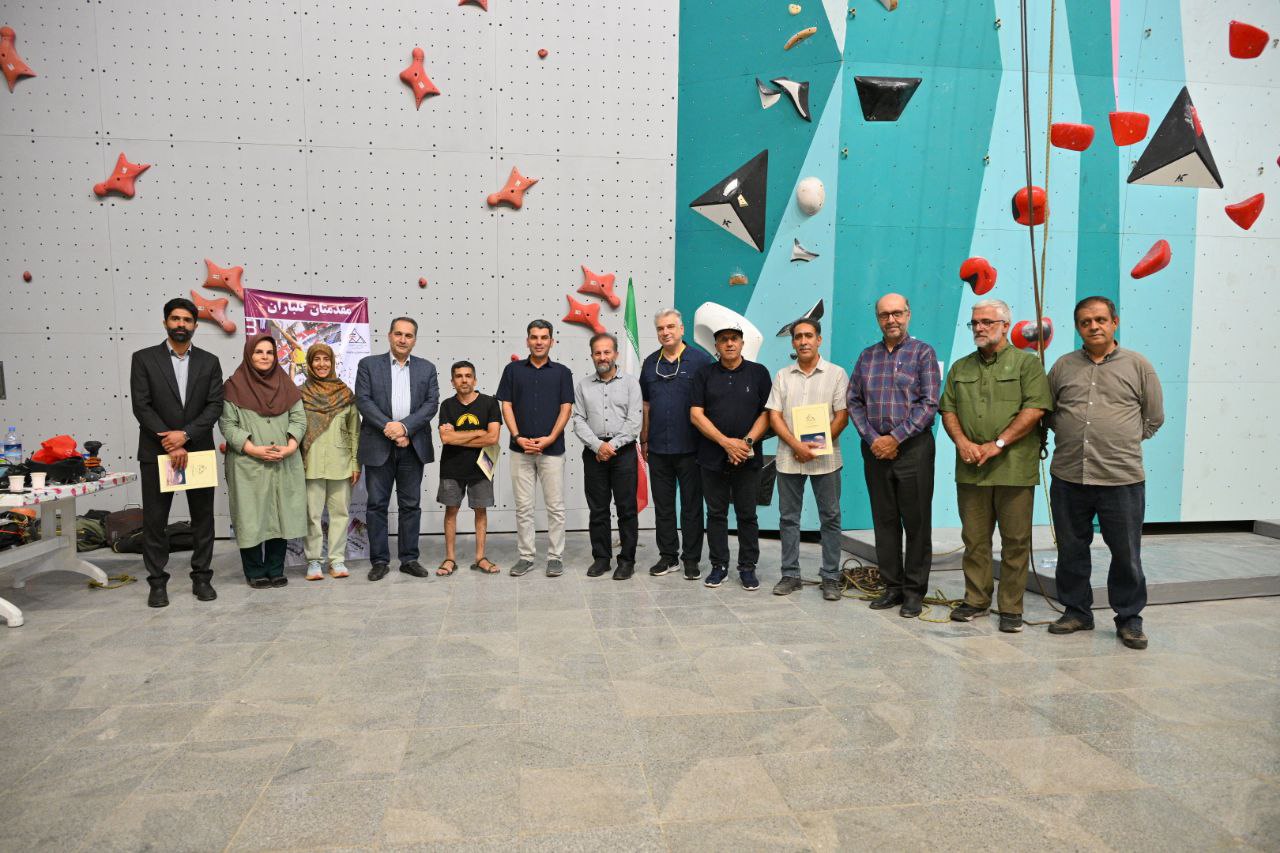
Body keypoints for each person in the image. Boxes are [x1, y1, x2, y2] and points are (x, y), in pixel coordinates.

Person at [1046, 296, 1164, 650]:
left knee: (1126, 554)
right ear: (1077, 327)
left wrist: (1120, 440)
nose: (1093, 326)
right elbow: (1048, 413)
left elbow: (1153, 418)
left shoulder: (1138, 366)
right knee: (1071, 549)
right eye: (1085, 322)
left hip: (1121, 479)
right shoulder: (1063, 366)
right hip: (1069, 476)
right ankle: (1077, 611)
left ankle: (1129, 619)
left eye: (1100, 319)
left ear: (1115, 322)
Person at [939, 299, 1053, 633]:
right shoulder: (960, 368)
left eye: (987, 322)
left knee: (1015, 541)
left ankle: (1011, 608)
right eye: (975, 323)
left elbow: (1035, 409)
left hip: (1013, 468)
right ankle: (976, 600)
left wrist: (998, 444)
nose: (979, 328)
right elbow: (948, 410)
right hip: (971, 467)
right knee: (974, 540)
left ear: (1005, 325)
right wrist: (962, 442)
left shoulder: (1027, 365)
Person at [846, 294, 941, 617]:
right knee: (884, 521)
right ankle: (892, 587)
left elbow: (929, 403)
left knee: (916, 523)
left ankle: (914, 592)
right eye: (884, 315)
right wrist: (875, 439)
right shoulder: (867, 357)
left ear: (908, 314)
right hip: (875, 451)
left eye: (897, 313)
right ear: (878, 319)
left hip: (913, 449)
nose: (891, 320)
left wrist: (895, 438)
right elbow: (854, 401)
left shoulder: (923, 353)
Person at [128, 297, 225, 608]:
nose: (181, 324)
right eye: (175, 319)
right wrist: (170, 441)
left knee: (203, 520)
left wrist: (185, 435)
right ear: (165, 322)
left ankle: (202, 578)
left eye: (187, 320)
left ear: (195, 325)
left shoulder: (209, 362)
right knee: (155, 521)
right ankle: (157, 583)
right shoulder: (144, 359)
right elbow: (141, 405)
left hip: (197, 450)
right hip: (157, 452)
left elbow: (215, 405)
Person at [765, 318, 849, 601]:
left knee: (831, 518)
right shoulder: (782, 376)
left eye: (809, 336)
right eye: (798, 337)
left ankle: (831, 577)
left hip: (826, 460)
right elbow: (774, 416)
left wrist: (815, 447)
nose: (803, 341)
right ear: (792, 342)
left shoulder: (836, 374)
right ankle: (790, 575)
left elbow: (842, 415)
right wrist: (796, 446)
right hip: (789, 458)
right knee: (788, 518)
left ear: (819, 339)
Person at [354, 317, 439, 582]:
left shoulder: (427, 368)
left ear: (415, 340)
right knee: (376, 505)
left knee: (410, 505)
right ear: (389, 336)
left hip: (412, 446)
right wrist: (390, 428)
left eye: (408, 335)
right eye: (398, 334)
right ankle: (379, 561)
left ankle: (409, 559)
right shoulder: (368, 365)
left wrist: (404, 428)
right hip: (378, 445)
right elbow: (363, 400)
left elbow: (431, 404)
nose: (403, 339)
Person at [220, 334, 308, 588]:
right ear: (249, 355)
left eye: (269, 352)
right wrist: (253, 449)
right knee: (250, 516)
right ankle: (254, 570)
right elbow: (227, 424)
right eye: (259, 352)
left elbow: (299, 419)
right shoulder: (233, 386)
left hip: (283, 460)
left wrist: (291, 446)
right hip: (248, 463)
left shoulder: (286, 385)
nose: (265, 357)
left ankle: (275, 568)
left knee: (281, 515)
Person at [689, 324, 772, 591]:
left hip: (748, 457)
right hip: (712, 457)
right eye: (723, 340)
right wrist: (726, 443)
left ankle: (747, 568)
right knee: (716, 514)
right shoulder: (704, 374)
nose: (729, 343)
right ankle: (719, 566)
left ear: (742, 343)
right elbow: (696, 415)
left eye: (734, 339)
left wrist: (745, 444)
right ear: (716, 346)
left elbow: (767, 413)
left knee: (747, 514)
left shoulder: (759, 373)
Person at [496, 320, 574, 577]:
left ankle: (555, 557)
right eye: (534, 337)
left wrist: (550, 438)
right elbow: (506, 405)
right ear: (527, 340)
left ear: (552, 341)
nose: (539, 342)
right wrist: (517, 437)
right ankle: (526, 556)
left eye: (544, 337)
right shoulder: (512, 370)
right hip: (521, 450)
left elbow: (566, 408)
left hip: (552, 450)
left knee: (555, 507)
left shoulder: (562, 372)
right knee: (524, 508)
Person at [639, 308, 713, 580]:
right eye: (660, 328)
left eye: (670, 326)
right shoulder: (650, 363)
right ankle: (668, 557)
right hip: (658, 448)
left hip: (692, 448)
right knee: (664, 507)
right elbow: (646, 405)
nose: (665, 332)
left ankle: (691, 559)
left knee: (691, 507)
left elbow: (709, 403)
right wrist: (644, 438)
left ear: (682, 329)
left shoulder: (701, 361)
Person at [572, 333, 644, 580]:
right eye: (597, 353)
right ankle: (601, 558)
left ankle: (627, 561)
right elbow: (578, 420)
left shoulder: (631, 384)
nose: (602, 357)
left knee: (626, 509)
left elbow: (634, 421)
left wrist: (610, 446)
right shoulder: (583, 386)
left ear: (616, 354)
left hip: (623, 452)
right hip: (594, 454)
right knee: (598, 509)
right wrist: (597, 446)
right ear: (592, 355)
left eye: (607, 352)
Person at [299, 343, 361, 581]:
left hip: (341, 463)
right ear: (310, 363)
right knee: (311, 515)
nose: (322, 364)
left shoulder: (345, 394)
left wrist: (355, 463)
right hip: (310, 464)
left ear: (332, 363)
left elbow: (354, 432)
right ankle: (314, 561)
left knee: (340, 514)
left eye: (326, 359)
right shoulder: (300, 394)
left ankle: (336, 560)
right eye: (317, 359)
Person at [436, 360, 502, 577]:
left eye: (468, 376)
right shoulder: (447, 405)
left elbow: (492, 438)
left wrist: (458, 437)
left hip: (482, 466)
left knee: (481, 511)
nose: (463, 380)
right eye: (459, 376)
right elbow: (446, 439)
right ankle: (449, 559)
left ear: (475, 379)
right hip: (451, 467)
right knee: (451, 511)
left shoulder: (490, 403)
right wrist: (478, 433)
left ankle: (480, 558)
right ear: (452, 381)